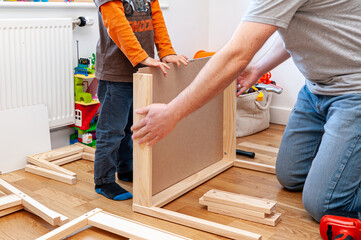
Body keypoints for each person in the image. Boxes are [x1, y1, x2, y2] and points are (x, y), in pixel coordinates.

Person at [132, 0, 361, 221]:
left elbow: (236, 54)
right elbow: (297, 25)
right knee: (291, 177)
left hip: (354, 91)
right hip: (315, 90)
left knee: (325, 205)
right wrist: (259, 68)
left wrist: (173, 112)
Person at [93, 0, 188, 201]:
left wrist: (166, 51)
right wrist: (141, 56)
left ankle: (126, 168)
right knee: (112, 131)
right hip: (116, 74)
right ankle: (104, 180)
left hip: (140, 71)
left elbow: (157, 20)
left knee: (131, 126)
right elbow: (117, 23)